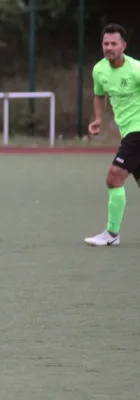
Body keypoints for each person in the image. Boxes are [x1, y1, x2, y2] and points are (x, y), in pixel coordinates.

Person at [85, 23, 140, 246]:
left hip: (138, 130)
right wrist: (98, 118)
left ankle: (112, 234)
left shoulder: (136, 69)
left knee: (114, 177)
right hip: (128, 131)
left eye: (113, 43)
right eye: (106, 43)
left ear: (123, 45)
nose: (109, 47)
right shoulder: (99, 70)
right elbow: (99, 95)